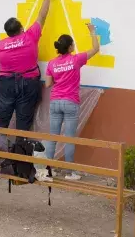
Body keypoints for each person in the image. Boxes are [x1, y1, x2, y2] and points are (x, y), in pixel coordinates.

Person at [0, 0, 54, 131]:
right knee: (24, 121)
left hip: (5, 84)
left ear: (7, 32)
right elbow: (42, 16)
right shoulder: (30, 36)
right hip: (28, 83)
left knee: (1, 119)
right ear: (21, 29)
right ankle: (20, 150)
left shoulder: (0, 45)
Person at [45, 24, 100, 180]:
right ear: (69, 48)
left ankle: (49, 169)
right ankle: (70, 173)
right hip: (70, 102)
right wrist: (93, 32)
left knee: (53, 136)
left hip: (55, 102)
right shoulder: (76, 59)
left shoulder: (51, 63)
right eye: (73, 45)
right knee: (69, 138)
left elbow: (48, 84)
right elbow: (95, 49)